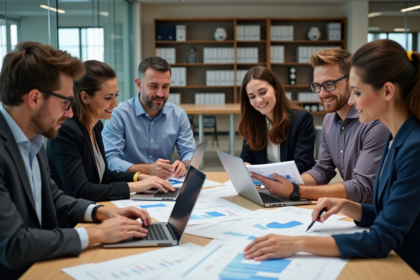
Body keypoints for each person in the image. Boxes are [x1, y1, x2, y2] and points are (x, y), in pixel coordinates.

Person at [244, 39, 420, 274]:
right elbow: (387, 213)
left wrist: (297, 242)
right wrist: (347, 206)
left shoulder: (412, 146)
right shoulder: (398, 139)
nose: (352, 100)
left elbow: (382, 237)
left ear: (387, 91)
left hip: (407, 265)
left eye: (357, 92)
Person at [0, 42, 152, 279]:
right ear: (35, 99)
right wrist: (98, 234)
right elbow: (14, 245)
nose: (70, 113)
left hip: (45, 261)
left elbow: (54, 197)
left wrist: (103, 213)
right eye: (64, 103)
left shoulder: (33, 139)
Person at [251, 48, 389, 203]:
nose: (322, 94)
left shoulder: (374, 121)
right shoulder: (329, 119)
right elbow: (323, 169)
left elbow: (363, 187)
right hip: (353, 208)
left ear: (352, 81)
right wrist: (285, 184)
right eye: (317, 85)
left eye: (329, 84)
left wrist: (296, 191)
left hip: (380, 211)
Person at [46, 60, 174, 206]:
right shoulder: (66, 131)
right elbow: (81, 191)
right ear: (85, 97)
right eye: (108, 98)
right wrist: (137, 187)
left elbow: (104, 175)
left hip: (95, 208)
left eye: (116, 95)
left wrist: (139, 177)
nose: (115, 104)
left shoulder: (95, 126)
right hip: (71, 221)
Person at [102, 57, 196, 180]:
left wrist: (185, 164)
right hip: (130, 183)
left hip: (165, 184)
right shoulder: (119, 114)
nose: (160, 93)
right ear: (139, 84)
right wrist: (147, 170)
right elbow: (110, 160)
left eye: (165, 86)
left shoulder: (178, 115)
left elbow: (190, 151)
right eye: (153, 86)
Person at [238, 66, 315, 174]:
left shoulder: (302, 119)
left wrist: (267, 177)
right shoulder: (252, 123)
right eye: (252, 97)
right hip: (264, 187)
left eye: (263, 92)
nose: (258, 100)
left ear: (276, 89)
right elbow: (246, 159)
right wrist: (245, 166)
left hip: (294, 186)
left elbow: (302, 165)